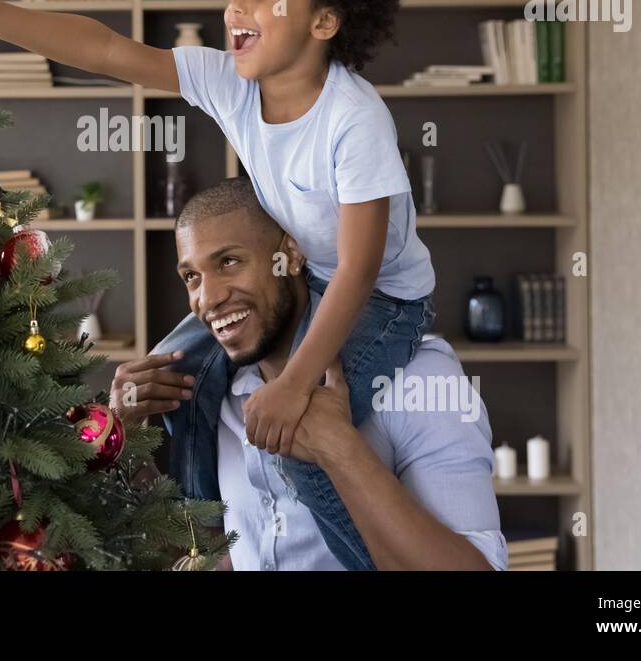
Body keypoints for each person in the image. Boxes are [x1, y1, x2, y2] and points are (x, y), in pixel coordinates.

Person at [0, 0, 434, 568]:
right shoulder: (234, 84)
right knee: (171, 371)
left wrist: (294, 382)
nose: (236, 6)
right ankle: (197, 542)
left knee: (307, 446)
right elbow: (104, 50)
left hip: (384, 303)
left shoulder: (353, 119)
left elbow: (361, 270)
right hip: (309, 279)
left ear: (325, 20)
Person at [112, 178, 504, 570]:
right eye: (191, 277)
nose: (208, 299)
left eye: (229, 262)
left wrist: (338, 446)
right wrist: (123, 446)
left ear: (291, 254)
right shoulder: (215, 393)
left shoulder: (421, 379)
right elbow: (219, 553)